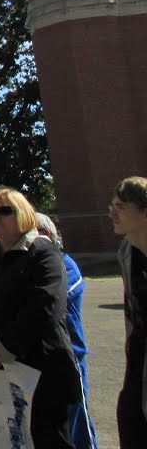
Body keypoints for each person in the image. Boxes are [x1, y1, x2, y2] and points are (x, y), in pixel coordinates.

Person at [0, 188, 80, 448]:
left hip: (40, 376)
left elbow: (45, 309)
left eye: (4, 210)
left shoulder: (43, 253)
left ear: (22, 213)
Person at [36, 212, 98, 449]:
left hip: (70, 356)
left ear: (48, 235)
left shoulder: (64, 264)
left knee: (78, 424)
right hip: (43, 361)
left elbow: (51, 301)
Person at [111, 176, 147, 447]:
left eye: (121, 206)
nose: (112, 212)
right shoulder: (126, 252)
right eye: (112, 205)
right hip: (138, 357)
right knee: (130, 419)